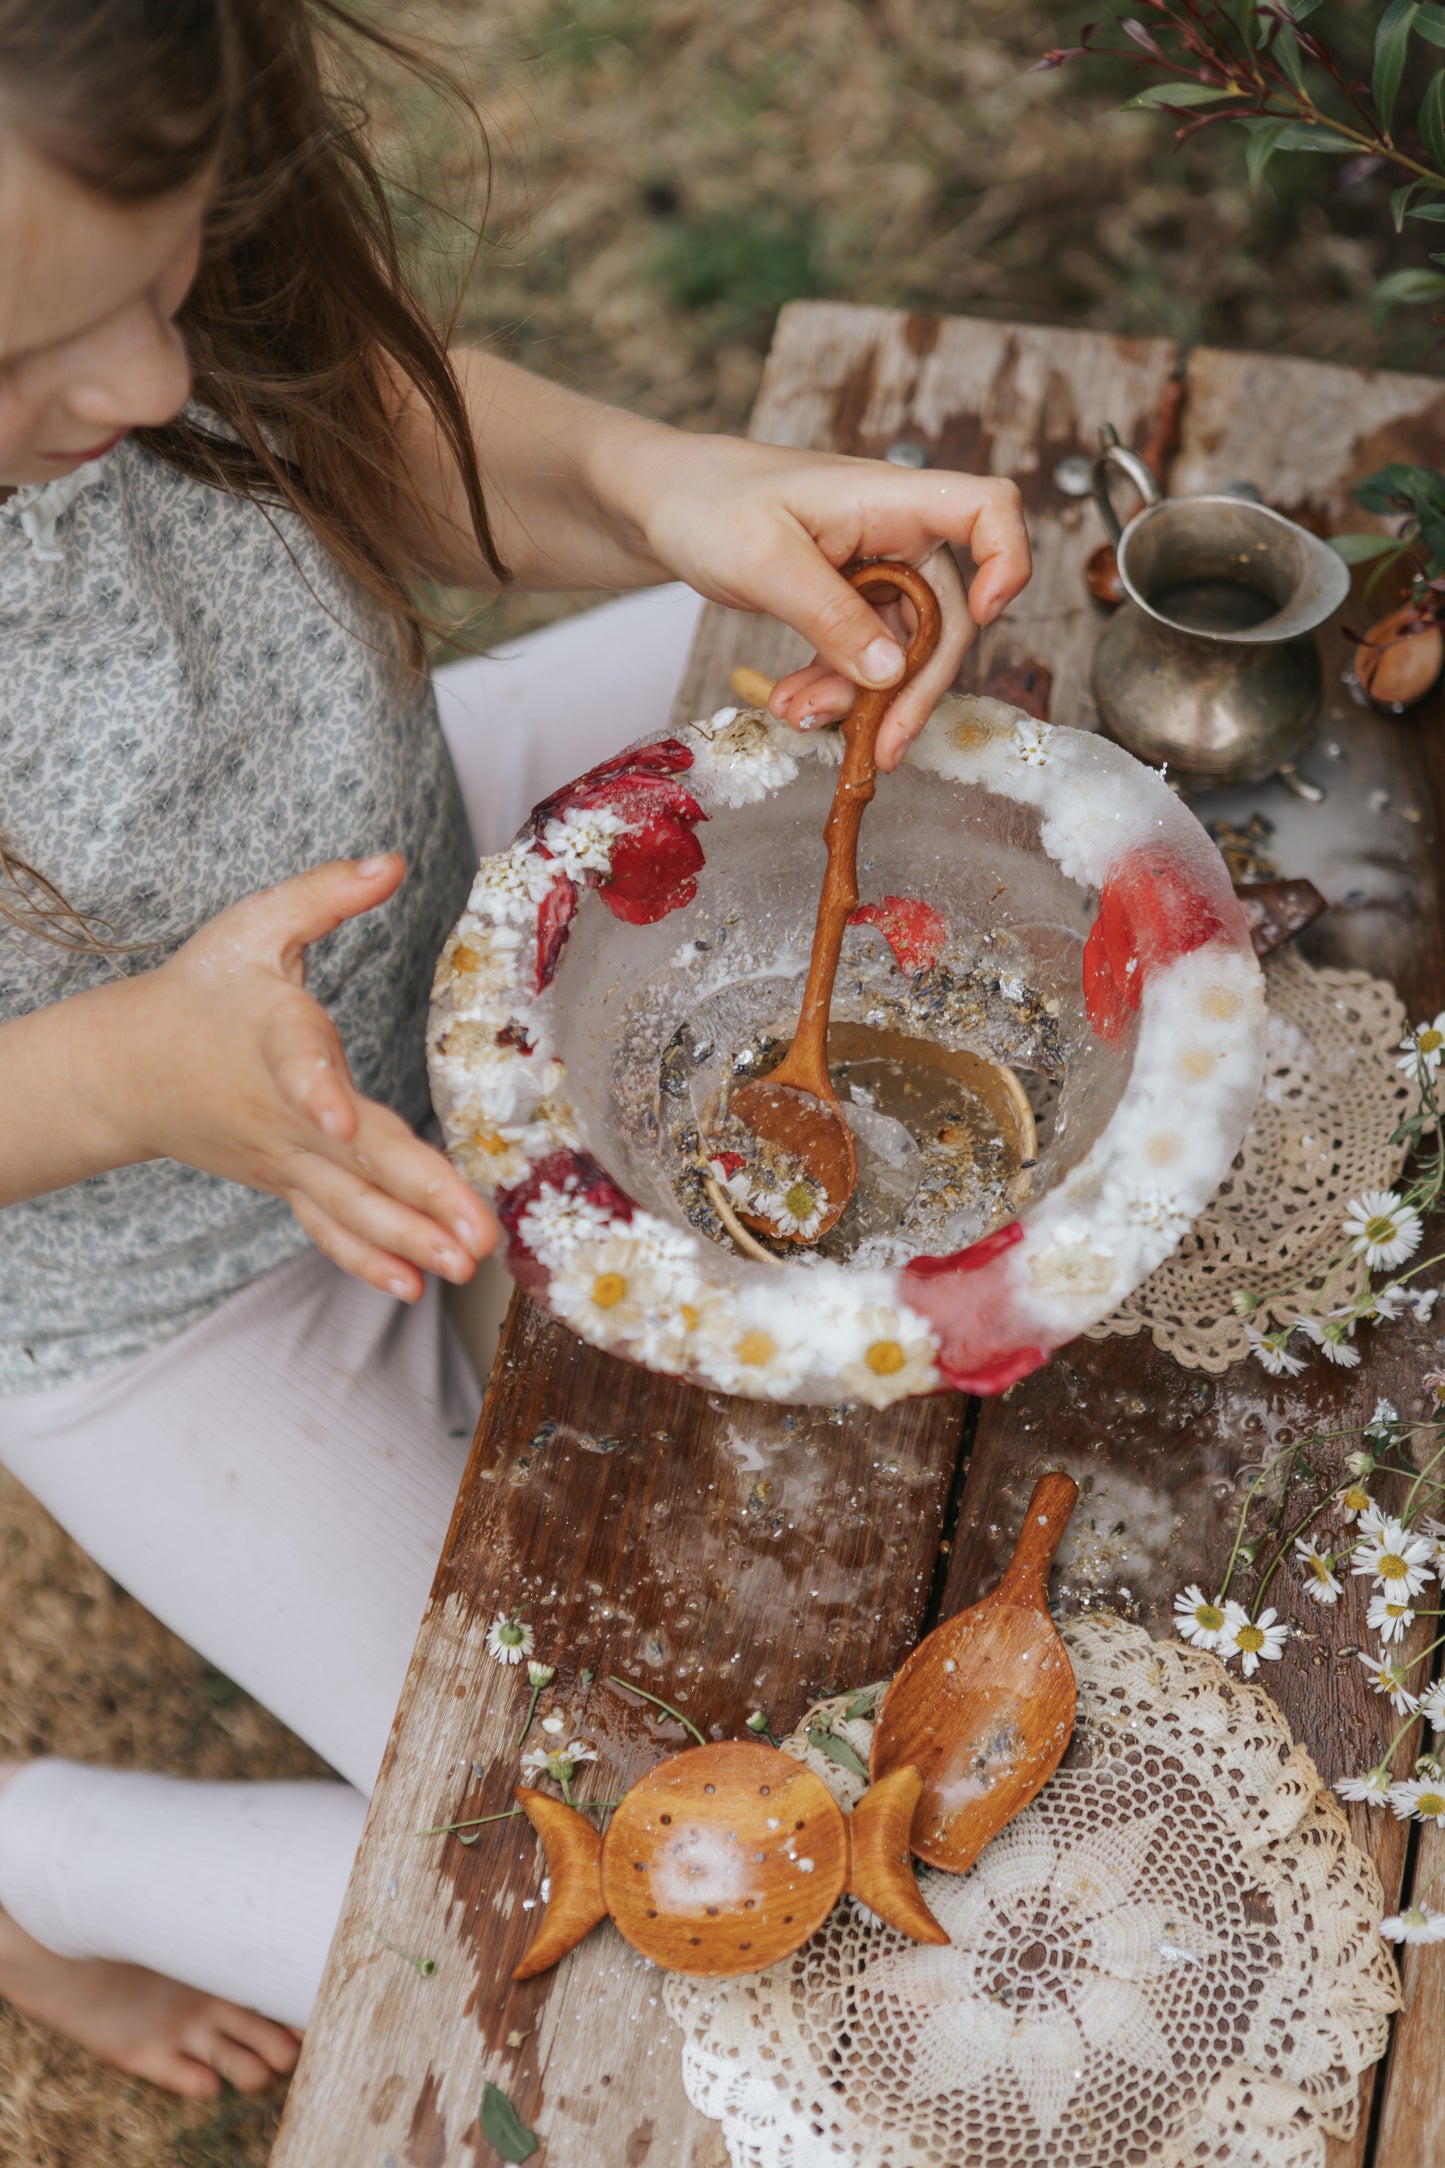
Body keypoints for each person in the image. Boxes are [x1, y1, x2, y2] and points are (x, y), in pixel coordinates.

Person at [0, 0, 1031, 2104]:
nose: (150, 385)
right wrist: (134, 1077)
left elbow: (347, 423)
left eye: (172, 277)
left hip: (407, 848)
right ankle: (46, 1871)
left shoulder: (137, 339)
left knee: (937, 714)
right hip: (168, 1263)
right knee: (633, 1890)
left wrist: (671, 489)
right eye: (20, 363)